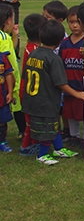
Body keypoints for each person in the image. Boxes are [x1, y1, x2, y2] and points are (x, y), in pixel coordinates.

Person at [21, 20, 84, 165]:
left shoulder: (33, 54)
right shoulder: (53, 59)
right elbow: (61, 83)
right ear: (59, 42)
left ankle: (58, 148)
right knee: (48, 128)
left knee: (54, 125)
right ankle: (42, 154)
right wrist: (77, 94)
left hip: (32, 98)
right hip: (46, 101)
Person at [18, 13, 47, 156]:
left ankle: (33, 143)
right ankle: (26, 147)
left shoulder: (30, 47)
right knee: (31, 121)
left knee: (32, 119)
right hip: (30, 89)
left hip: (27, 88)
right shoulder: (35, 51)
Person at [58, 6, 84, 147]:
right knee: (70, 113)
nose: (74, 25)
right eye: (71, 22)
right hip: (69, 85)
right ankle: (73, 135)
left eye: (77, 22)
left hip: (83, 85)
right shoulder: (64, 43)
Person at [0, 4, 15, 153]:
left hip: (3, 89)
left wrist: (10, 91)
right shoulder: (3, 37)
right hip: (3, 87)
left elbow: (8, 71)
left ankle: (3, 141)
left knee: (3, 118)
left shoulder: (2, 58)